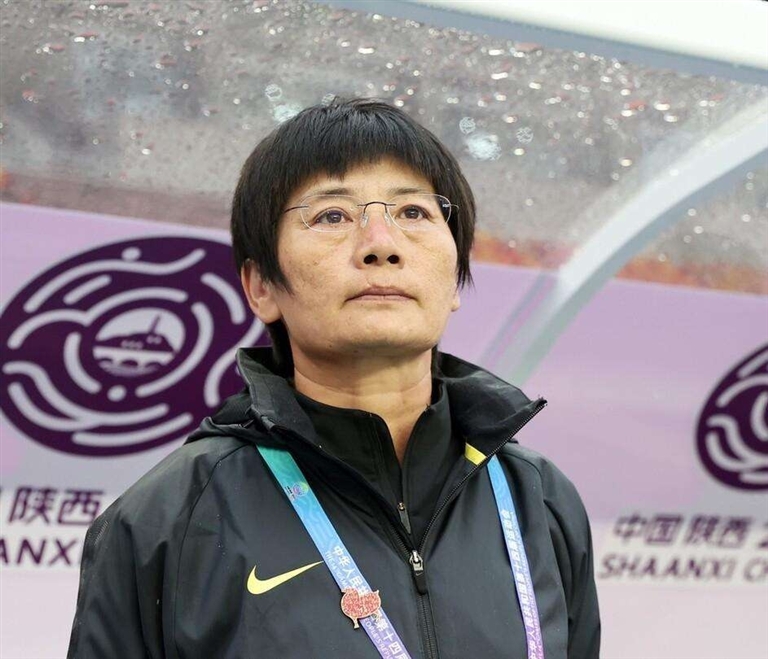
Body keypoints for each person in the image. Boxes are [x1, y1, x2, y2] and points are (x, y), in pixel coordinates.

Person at [68, 98, 600, 658]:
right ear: (261, 287)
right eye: (332, 216)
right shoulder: (169, 516)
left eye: (413, 212)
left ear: (454, 280)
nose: (381, 245)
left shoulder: (537, 498)